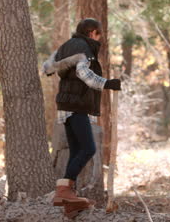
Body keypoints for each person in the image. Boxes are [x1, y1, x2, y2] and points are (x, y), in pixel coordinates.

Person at [42, 18, 121, 218]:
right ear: (93, 32)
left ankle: (69, 197)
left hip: (64, 105)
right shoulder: (83, 48)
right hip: (76, 106)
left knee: (77, 150)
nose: (99, 38)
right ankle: (64, 190)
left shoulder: (65, 46)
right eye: (99, 34)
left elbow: (47, 67)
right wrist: (108, 83)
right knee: (88, 148)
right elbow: (85, 76)